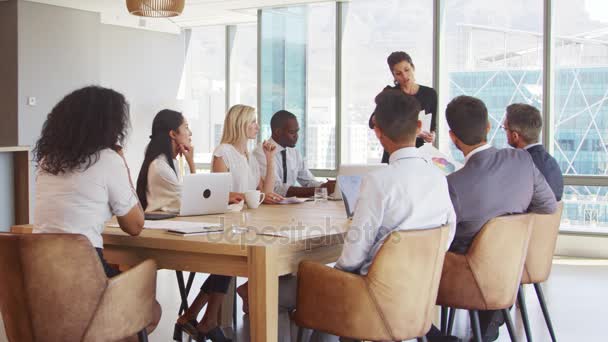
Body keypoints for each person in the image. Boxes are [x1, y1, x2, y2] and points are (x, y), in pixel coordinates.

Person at [277, 89, 457, 342]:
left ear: (378, 132)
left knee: (266, 292)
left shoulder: (378, 181)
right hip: (418, 293)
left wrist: (330, 277)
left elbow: (352, 258)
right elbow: (447, 235)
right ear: (418, 126)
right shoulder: (438, 177)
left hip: (370, 298)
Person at [32, 86, 160, 335]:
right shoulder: (107, 159)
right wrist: (122, 163)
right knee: (151, 310)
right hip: (86, 280)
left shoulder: (48, 162)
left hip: (42, 284)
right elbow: (135, 225)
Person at [445, 95, 557, 341]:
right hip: (510, 267)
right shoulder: (522, 161)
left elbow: (443, 236)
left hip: (468, 276)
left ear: (453, 137)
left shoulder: (453, 184)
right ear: (487, 127)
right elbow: (548, 205)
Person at [135, 109, 242, 342]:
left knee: (228, 256)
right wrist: (195, 168)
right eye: (186, 128)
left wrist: (191, 162)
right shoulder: (161, 167)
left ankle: (196, 317)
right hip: (165, 236)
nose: (190, 133)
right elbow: (194, 198)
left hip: (176, 228)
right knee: (227, 256)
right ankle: (199, 319)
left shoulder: (168, 162)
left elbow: (194, 195)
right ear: (173, 133)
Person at [212, 104, 284, 315]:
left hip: (249, 222)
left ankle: (202, 319)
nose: (257, 126)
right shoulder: (223, 152)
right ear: (240, 124)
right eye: (253, 121)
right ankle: (204, 318)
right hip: (230, 224)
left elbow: (266, 191)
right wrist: (245, 196)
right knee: (227, 267)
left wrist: (270, 159)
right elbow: (218, 194)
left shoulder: (249, 155)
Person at [369, 51, 438, 163]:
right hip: (393, 152)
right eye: (398, 73)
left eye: (407, 70)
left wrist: (432, 135)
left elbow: (433, 125)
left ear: (413, 67)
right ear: (394, 75)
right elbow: (372, 122)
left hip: (420, 153)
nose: (405, 76)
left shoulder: (430, 94)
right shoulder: (390, 93)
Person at [253, 110, 335, 197]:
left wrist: (325, 186)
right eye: (292, 132)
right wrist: (320, 190)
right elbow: (276, 189)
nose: (296, 136)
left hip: (290, 206)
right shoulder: (261, 152)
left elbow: (308, 181)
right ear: (278, 132)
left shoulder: (294, 153)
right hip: (270, 207)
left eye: (297, 131)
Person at [503, 103, 563, 201]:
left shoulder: (520, 165)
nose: (505, 133)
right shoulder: (552, 163)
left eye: (505, 129)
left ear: (515, 136)